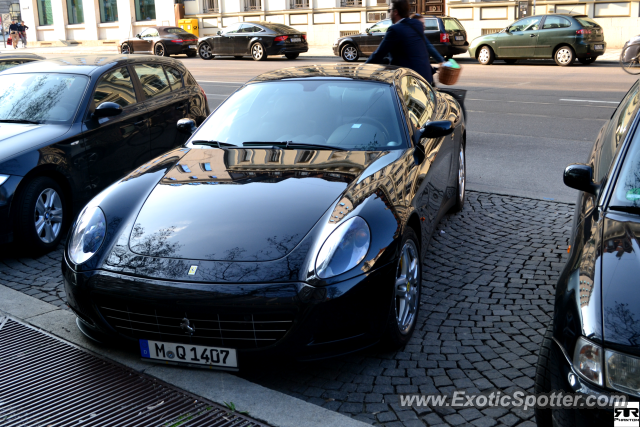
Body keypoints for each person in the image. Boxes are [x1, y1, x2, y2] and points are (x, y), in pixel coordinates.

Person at [365, 0, 445, 86]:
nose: (389, 13)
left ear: (395, 12)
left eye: (390, 10)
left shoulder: (394, 30)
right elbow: (427, 45)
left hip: (410, 81)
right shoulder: (416, 24)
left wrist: (363, 68)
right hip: (426, 77)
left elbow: (379, 54)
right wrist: (442, 61)